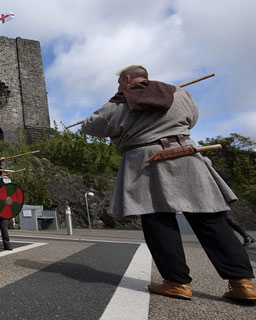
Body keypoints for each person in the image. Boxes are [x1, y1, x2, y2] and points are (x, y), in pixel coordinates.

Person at [82, 65, 256, 302]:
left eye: (119, 83)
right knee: (210, 219)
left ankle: (177, 283)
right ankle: (242, 283)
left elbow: (92, 126)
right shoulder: (179, 93)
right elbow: (192, 119)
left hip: (146, 161)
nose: (119, 87)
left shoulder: (120, 102)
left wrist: (118, 108)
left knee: (158, 220)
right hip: (184, 152)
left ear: (127, 79)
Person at [215, 169, 255, 246]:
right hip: (219, 199)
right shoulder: (215, 172)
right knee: (223, 219)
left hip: (221, 199)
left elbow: (225, 185)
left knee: (224, 219)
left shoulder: (216, 172)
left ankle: (246, 236)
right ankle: (246, 236)